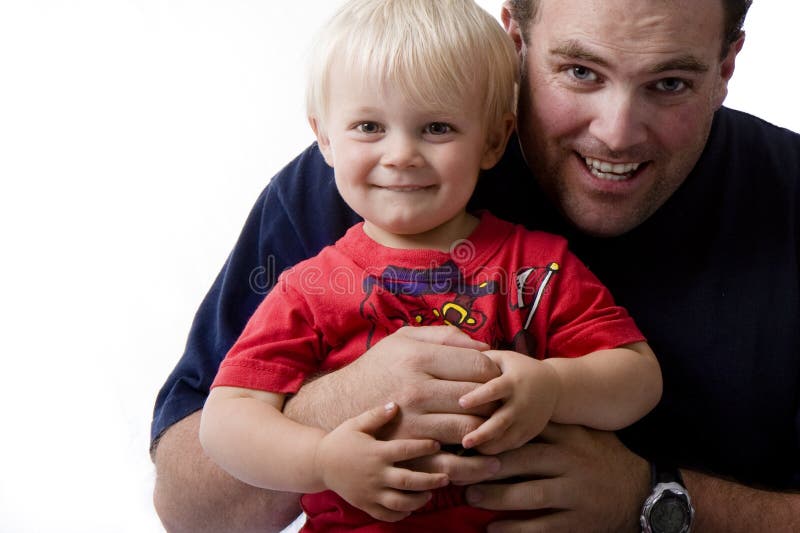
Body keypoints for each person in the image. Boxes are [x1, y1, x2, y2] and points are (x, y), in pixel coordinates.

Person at [151, 0, 800, 531]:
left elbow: (633, 373)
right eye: (579, 72)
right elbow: (189, 507)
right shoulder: (351, 191)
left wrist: (655, 498)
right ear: (514, 37)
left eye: (669, 83)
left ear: (727, 64)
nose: (616, 132)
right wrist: (335, 409)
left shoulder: (784, 194)